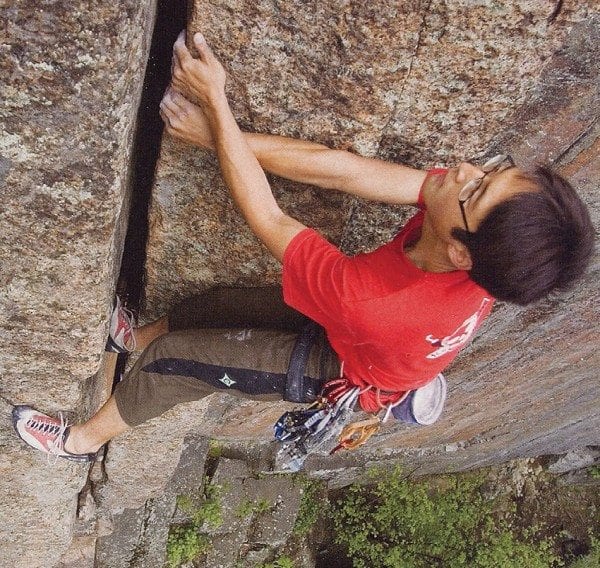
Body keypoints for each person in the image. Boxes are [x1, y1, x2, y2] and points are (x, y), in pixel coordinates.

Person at [12, 31, 594, 463]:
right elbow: (345, 172)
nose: (465, 168)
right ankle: (127, 337)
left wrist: (217, 107)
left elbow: (268, 215)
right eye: (491, 169)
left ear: (465, 255)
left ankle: (81, 441)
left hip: (343, 368)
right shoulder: (476, 239)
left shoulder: (378, 296)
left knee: (173, 362)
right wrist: (220, 136)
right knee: (218, 306)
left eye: (479, 185)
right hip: (368, 338)